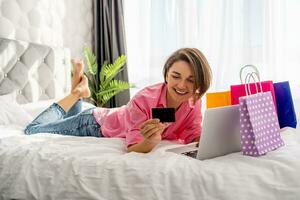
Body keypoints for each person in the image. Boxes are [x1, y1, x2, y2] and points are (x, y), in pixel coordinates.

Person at [24, 48, 212, 153]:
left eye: (191, 80)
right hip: (93, 124)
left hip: (108, 114)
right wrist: (150, 142)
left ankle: (79, 89)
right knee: (32, 130)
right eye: (176, 76)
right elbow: (133, 147)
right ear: (166, 75)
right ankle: (76, 94)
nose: (182, 85)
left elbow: (192, 132)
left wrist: (210, 139)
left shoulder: (193, 101)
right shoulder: (145, 99)